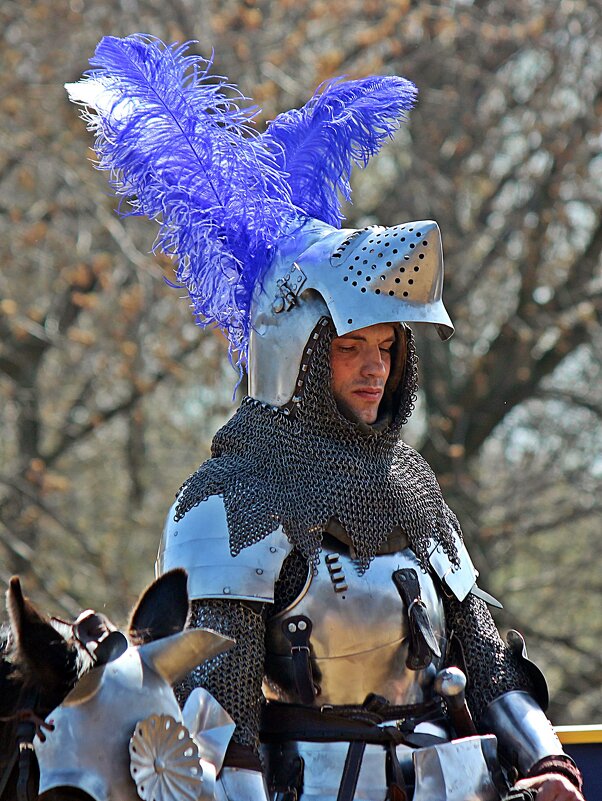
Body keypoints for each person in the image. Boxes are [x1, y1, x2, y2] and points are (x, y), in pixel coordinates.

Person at [67, 35, 584, 801]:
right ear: (297, 353)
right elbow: (218, 729)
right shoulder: (231, 502)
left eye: (387, 347)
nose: (375, 368)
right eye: (350, 347)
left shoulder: (410, 484)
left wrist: (545, 760)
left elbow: (486, 660)